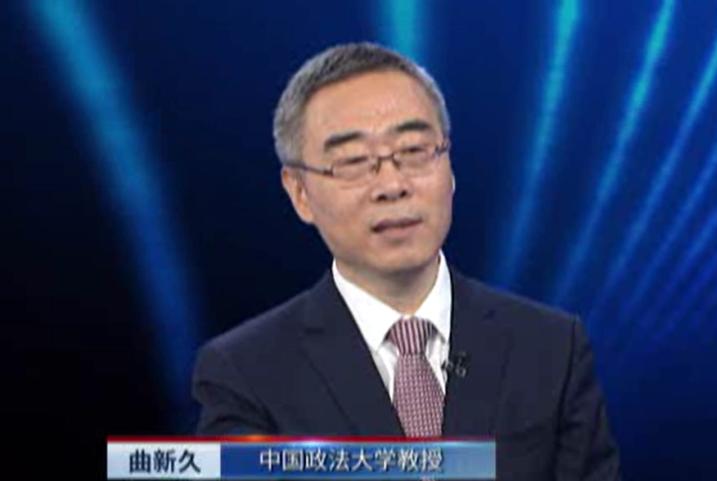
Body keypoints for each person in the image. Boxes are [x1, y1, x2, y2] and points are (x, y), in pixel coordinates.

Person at [191, 42, 621, 480]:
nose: (392, 185)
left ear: (449, 165)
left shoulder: (552, 347)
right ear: (300, 192)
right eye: (353, 162)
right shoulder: (244, 373)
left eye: (414, 150)